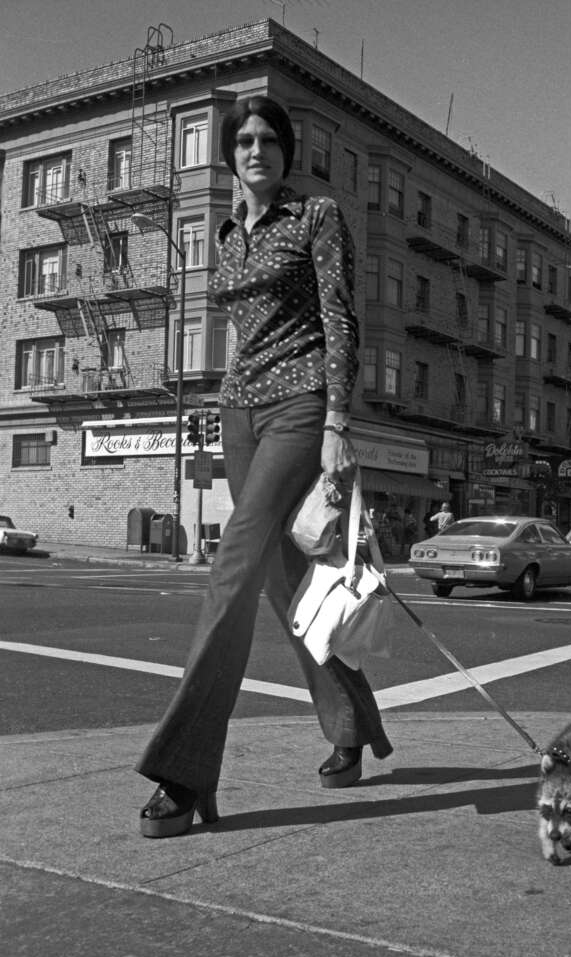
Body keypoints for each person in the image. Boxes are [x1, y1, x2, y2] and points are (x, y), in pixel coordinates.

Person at [136, 96, 392, 838]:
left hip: (301, 406)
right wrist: (222, 410)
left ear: (285, 151)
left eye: (268, 139)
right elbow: (243, 332)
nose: (256, 149)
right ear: (230, 156)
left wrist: (338, 423)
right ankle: (349, 723)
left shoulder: (314, 217)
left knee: (233, 568)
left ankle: (184, 772)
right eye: (243, 141)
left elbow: (340, 315)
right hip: (240, 410)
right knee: (282, 582)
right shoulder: (224, 233)